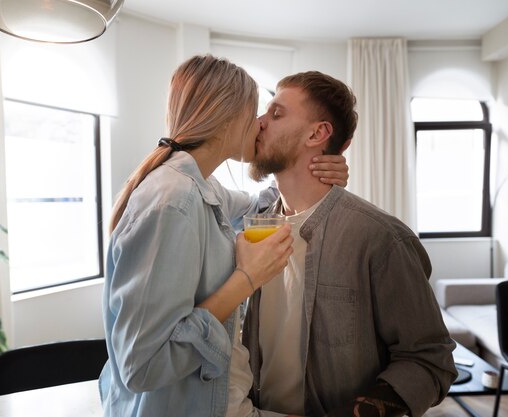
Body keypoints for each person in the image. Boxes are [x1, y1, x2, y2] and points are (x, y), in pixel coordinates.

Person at [99, 55, 348, 417]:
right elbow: (142, 367)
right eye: (256, 113)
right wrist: (246, 280)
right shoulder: (174, 201)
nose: (260, 125)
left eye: (272, 115)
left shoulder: (203, 189)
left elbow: (261, 204)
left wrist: (317, 170)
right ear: (228, 117)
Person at [242, 72, 458, 417]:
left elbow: (430, 359)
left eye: (276, 113)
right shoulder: (251, 227)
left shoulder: (380, 238)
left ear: (317, 133)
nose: (259, 123)